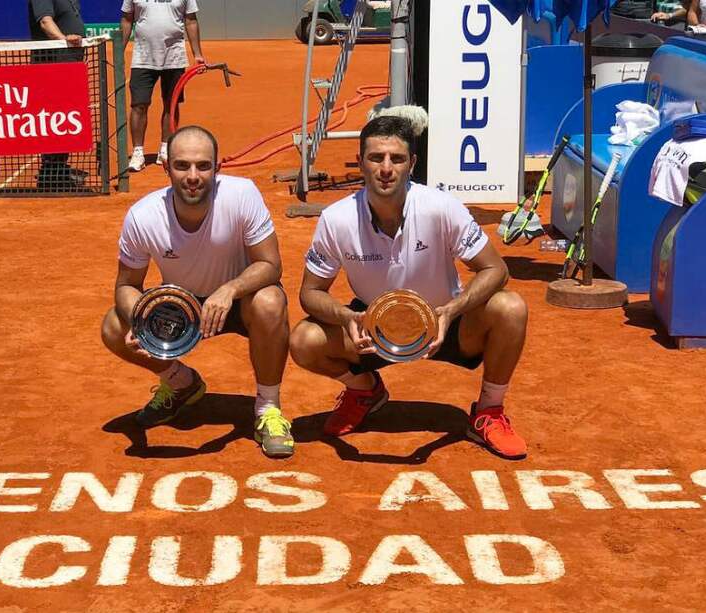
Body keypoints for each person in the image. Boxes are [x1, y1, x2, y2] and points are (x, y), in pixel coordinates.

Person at [289, 116, 530, 460]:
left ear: (412, 164)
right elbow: (310, 293)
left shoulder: (441, 207)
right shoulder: (336, 218)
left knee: (511, 307)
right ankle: (364, 391)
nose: (386, 168)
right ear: (360, 162)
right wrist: (346, 317)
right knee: (303, 340)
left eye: (397, 159)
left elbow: (495, 269)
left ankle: (487, 412)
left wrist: (451, 311)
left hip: (446, 324)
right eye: (376, 158)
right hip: (373, 331)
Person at [101, 125, 294, 458]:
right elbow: (127, 286)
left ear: (218, 168)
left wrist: (230, 289)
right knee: (114, 327)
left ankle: (267, 409)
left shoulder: (242, 195)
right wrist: (140, 319)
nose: (193, 176)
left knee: (270, 300)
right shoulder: (143, 216)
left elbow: (271, 266)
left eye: (203, 166)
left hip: (237, 302)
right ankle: (181, 383)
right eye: (182, 166)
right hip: (181, 308)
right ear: (166, 167)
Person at [120, 0, 205, 172]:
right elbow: (127, 20)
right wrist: (118, 51)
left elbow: (191, 20)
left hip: (174, 57)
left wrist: (198, 54)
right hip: (142, 58)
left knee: (171, 105)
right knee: (139, 105)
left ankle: (166, 148)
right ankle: (138, 153)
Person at [28, 0, 89, 190]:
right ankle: (50, 173)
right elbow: (46, 22)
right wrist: (64, 39)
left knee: (65, 117)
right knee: (54, 116)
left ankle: (59, 168)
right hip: (52, 66)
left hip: (68, 65)